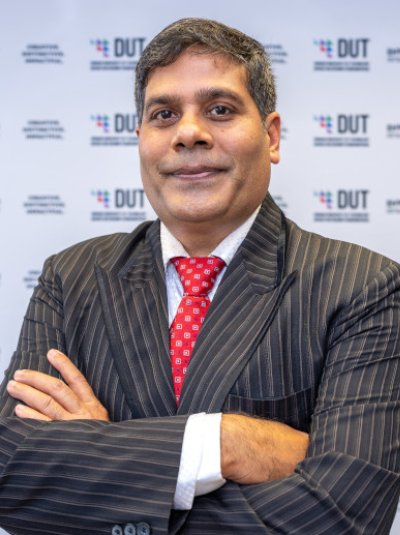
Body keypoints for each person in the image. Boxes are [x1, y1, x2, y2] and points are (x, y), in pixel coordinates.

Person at [1, 17, 399, 535]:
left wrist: (100, 455)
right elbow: (11, 475)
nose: (189, 133)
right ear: (141, 139)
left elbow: (340, 515)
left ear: (271, 136)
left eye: (220, 109)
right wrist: (224, 442)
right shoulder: (72, 277)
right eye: (164, 114)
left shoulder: (364, 286)